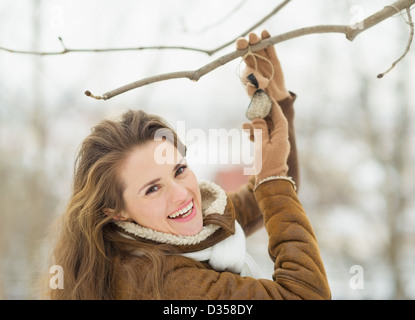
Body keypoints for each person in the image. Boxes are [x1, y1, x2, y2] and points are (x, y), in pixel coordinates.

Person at [43, 31, 331, 300]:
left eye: (179, 171)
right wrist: (271, 178)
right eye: (152, 188)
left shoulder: (163, 236)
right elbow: (306, 294)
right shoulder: (159, 283)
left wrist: (277, 106)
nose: (181, 194)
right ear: (115, 211)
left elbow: (267, 199)